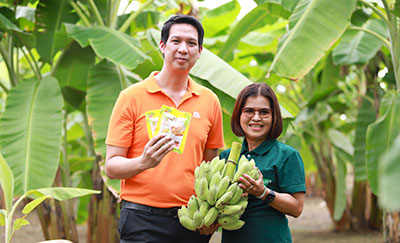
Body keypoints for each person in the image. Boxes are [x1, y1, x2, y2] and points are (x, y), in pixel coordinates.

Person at [105, 14, 224, 243]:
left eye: (191, 44)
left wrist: (212, 213)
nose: (183, 49)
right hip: (141, 216)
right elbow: (112, 166)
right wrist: (143, 162)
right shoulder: (131, 97)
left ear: (199, 52)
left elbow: (210, 166)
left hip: (192, 217)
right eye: (176, 41)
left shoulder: (209, 101)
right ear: (162, 46)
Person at [219, 83, 306, 243]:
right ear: (239, 114)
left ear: (274, 117)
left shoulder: (287, 155)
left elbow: (297, 208)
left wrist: (263, 193)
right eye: (249, 111)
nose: (256, 117)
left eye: (264, 112)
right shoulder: (226, 157)